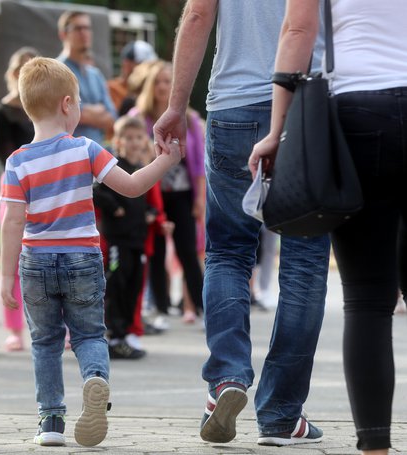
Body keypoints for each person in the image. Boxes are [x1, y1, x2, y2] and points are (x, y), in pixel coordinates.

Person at [153, 0, 331, 447]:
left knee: (228, 251)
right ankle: (281, 414)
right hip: (304, 105)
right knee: (304, 262)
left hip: (231, 107)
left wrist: (176, 105)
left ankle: (226, 379)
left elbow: (196, 16)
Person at [248, 1, 407, 453]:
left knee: (368, 301)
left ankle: (375, 447)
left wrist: (278, 131)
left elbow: (297, 30)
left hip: (361, 113)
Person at [0, 56, 182, 447]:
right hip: (82, 256)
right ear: (67, 104)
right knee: (88, 334)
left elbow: (12, 221)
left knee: (46, 341)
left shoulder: (17, 162)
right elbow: (132, 186)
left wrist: (4, 276)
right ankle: (95, 377)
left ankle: (50, 421)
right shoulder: (84, 149)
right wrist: (165, 161)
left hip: (36, 261)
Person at [131, 59, 206, 327]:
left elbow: (198, 163)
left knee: (189, 250)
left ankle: (200, 307)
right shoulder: (138, 118)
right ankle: (160, 308)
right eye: (159, 82)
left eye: (168, 81)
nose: (163, 87)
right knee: (156, 252)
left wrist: (200, 198)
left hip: (183, 193)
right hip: (153, 194)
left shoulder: (191, 119)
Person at [93, 115, 169, 360]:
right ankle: (114, 334)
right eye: (129, 138)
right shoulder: (114, 168)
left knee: (134, 287)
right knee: (116, 284)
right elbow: (96, 191)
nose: (135, 143)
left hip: (137, 240)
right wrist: (114, 207)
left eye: (139, 137)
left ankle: (125, 333)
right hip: (118, 241)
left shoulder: (141, 171)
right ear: (118, 141)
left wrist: (151, 213)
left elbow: (147, 201)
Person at [0, 46, 40, 351]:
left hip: (48, 183)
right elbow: (4, 154)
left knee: (48, 256)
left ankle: (59, 325)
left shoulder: (46, 110)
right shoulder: (4, 111)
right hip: (16, 184)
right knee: (14, 254)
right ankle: (14, 329)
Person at [56, 10, 116, 145]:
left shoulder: (96, 75)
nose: (84, 32)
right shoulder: (55, 71)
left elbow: (112, 117)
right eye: (77, 28)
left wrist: (82, 111)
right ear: (63, 34)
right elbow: (60, 113)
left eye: (87, 28)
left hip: (97, 155)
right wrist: (98, 109)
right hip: (67, 156)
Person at [107, 40, 157, 113]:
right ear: (127, 64)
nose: (149, 70)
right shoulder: (111, 89)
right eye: (143, 65)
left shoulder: (152, 89)